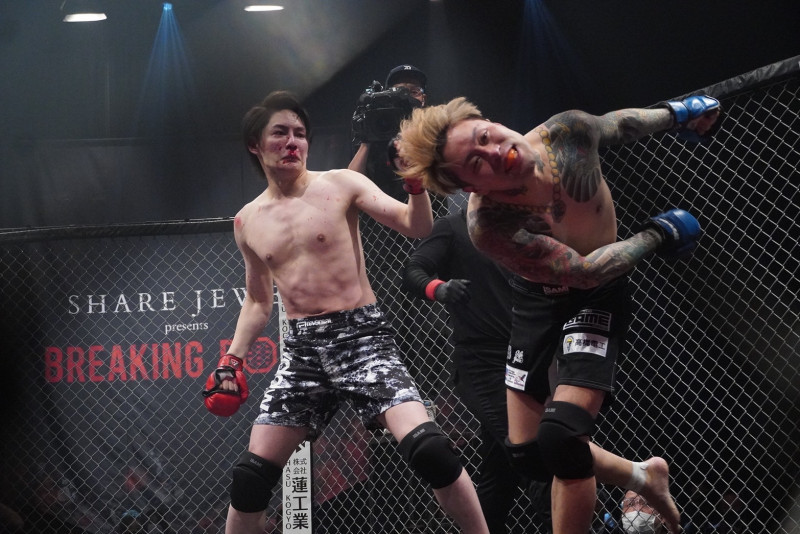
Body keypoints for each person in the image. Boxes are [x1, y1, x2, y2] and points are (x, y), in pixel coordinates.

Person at [397, 94, 721, 534]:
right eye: (476, 162)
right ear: (469, 186)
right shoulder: (489, 225)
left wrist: (678, 113)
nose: (495, 152)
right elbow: (582, 271)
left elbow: (618, 124)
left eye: (485, 136)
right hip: (541, 297)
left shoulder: (566, 133)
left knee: (562, 437)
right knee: (528, 455)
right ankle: (642, 476)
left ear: (490, 120)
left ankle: (639, 480)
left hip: (598, 297)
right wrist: (657, 235)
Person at [201, 90, 489, 534]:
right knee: (250, 479)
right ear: (255, 145)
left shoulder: (340, 183)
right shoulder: (247, 220)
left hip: (362, 340)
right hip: (303, 351)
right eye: (280, 133)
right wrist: (231, 359)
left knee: (431, 451)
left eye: (300, 133)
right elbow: (258, 302)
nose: (292, 142)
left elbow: (417, 226)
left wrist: (415, 184)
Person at [401, 207, 552, 533]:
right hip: (483, 364)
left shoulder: (518, 230)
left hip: (526, 358)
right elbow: (413, 270)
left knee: (500, 474)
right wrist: (439, 288)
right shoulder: (453, 227)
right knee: (535, 454)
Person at [349, 64, 428, 198]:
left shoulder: (432, 128)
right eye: (400, 91)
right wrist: (367, 138)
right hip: (381, 206)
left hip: (430, 207)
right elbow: (351, 182)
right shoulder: (378, 127)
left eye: (414, 92)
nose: (407, 98)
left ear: (423, 99)